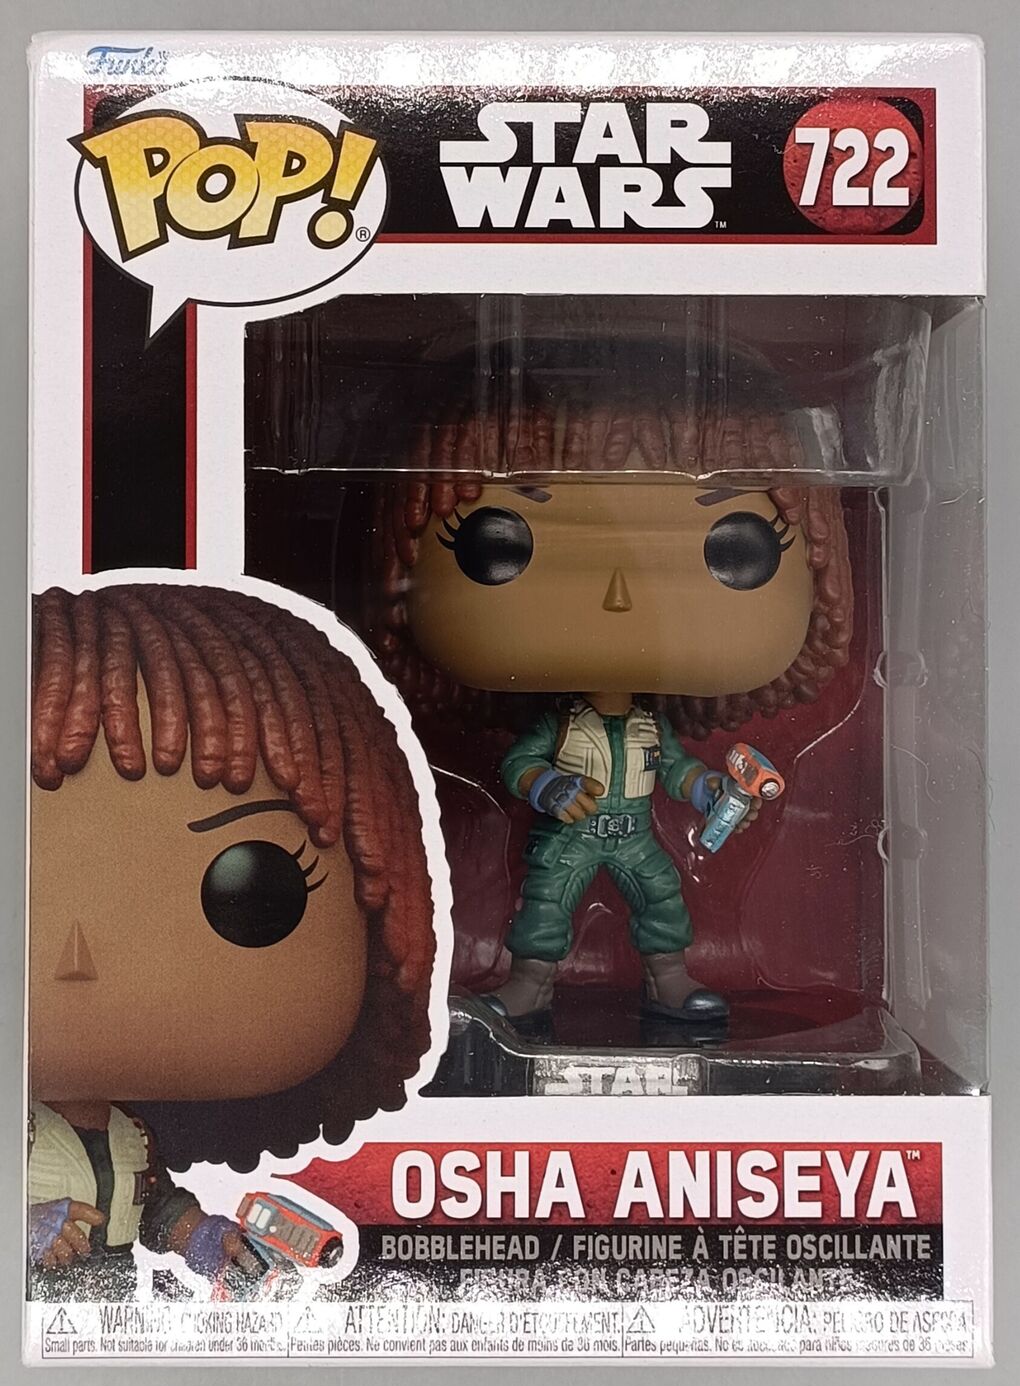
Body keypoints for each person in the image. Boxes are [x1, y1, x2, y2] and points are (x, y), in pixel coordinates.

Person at [362, 387, 853, 1023]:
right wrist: (548, 787)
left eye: (736, 549)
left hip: (634, 832)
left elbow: (674, 768)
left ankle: (668, 980)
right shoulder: (561, 722)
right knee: (545, 905)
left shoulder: (647, 724)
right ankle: (530, 984)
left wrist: (709, 790)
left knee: (663, 898)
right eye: (500, 543)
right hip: (568, 834)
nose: (619, 596)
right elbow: (520, 764)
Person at [28, 583, 436, 1297]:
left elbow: (157, 1208)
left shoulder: (131, 1135)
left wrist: (207, 1238)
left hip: (107, 1305)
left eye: (249, 889)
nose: (76, 957)